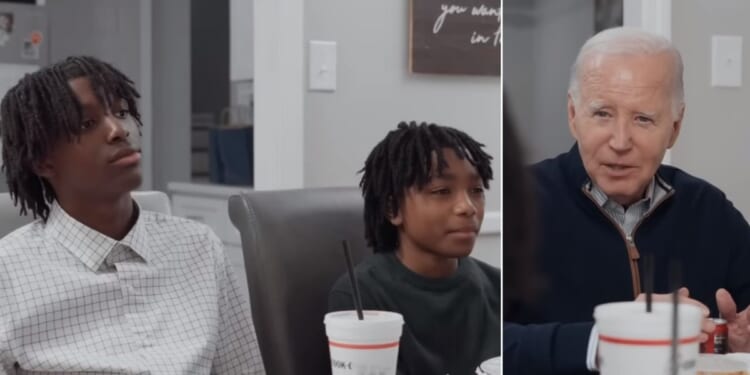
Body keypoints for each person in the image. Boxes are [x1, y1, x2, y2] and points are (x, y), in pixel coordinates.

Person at [504, 26, 750, 374]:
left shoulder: (710, 210)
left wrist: (736, 347)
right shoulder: (521, 202)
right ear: (573, 115)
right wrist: (608, 339)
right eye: (602, 113)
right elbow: (490, 343)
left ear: (675, 128)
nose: (620, 141)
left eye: (643, 119)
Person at [0, 56, 265, 374]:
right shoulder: (8, 276)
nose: (118, 131)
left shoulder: (199, 247)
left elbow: (244, 369)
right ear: (44, 162)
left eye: (122, 112)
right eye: (86, 124)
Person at [328, 121, 500, 375]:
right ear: (393, 209)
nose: (467, 207)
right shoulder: (362, 298)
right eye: (442, 191)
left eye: (476, 190)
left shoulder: (499, 286)